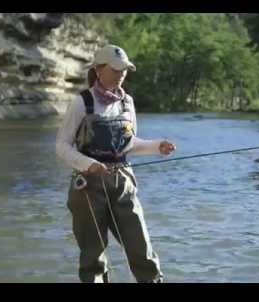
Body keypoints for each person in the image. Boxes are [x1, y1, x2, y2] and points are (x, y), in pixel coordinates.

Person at [56, 44, 176, 283]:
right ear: (99, 70)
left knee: (141, 249)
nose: (122, 74)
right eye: (116, 69)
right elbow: (61, 146)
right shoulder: (81, 103)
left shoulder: (127, 102)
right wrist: (87, 163)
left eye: (125, 70)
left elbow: (129, 144)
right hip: (88, 186)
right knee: (93, 257)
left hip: (123, 182)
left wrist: (156, 146)